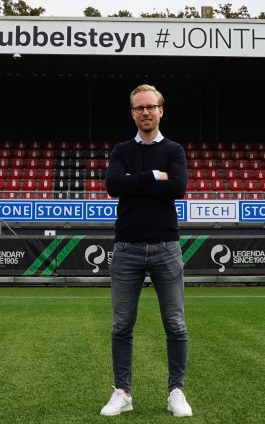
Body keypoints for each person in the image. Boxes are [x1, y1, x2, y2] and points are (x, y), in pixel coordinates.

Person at [99, 84, 192, 418]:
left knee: (176, 325)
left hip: (167, 246)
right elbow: (113, 186)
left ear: (161, 110)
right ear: (133, 113)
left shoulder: (174, 150)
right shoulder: (122, 149)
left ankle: (176, 391)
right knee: (122, 326)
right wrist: (154, 176)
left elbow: (178, 188)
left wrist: (135, 183)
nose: (145, 113)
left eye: (151, 107)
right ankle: (122, 392)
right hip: (127, 248)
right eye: (139, 108)